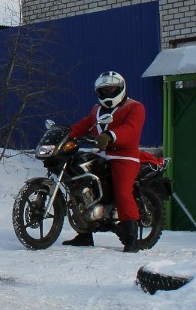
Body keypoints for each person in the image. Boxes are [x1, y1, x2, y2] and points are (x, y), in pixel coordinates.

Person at [63, 70, 147, 251]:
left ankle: (131, 238)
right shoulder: (96, 110)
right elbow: (85, 124)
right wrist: (65, 133)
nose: (108, 94)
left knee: (122, 191)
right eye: (104, 91)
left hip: (125, 156)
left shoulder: (135, 107)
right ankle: (85, 233)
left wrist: (111, 135)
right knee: (80, 183)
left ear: (121, 88)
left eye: (111, 90)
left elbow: (131, 129)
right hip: (101, 154)